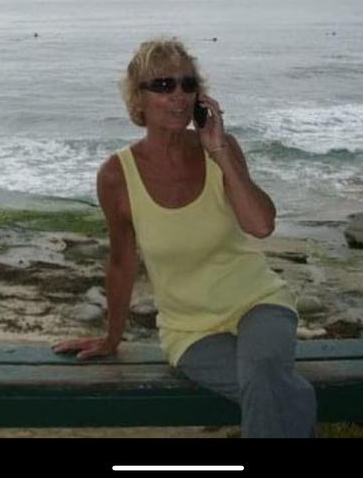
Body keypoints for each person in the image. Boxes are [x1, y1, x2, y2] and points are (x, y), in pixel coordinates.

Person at [53, 37, 317, 438]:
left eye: (187, 84)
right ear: (137, 100)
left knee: (264, 376)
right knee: (278, 393)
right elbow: (123, 261)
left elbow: (261, 225)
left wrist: (221, 152)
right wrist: (111, 338)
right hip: (189, 332)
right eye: (163, 85)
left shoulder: (221, 151)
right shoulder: (116, 175)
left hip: (258, 304)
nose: (178, 95)